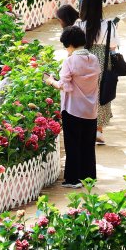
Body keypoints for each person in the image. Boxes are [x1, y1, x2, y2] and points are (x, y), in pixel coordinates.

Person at [43, 26, 101, 188]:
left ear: (69, 44)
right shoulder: (94, 59)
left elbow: (65, 85)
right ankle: (89, 177)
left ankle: (73, 179)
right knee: (88, 145)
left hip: (73, 109)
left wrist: (51, 81)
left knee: (73, 144)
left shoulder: (70, 61)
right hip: (90, 110)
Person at [76, 0, 119, 145]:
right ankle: (98, 131)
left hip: (82, 61)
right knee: (101, 95)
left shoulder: (79, 25)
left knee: (82, 96)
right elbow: (114, 45)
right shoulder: (109, 24)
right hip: (102, 61)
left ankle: (84, 130)